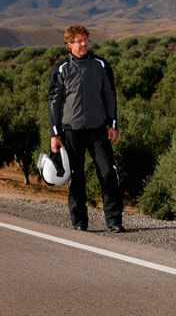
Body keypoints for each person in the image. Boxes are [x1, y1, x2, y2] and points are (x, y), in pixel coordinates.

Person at [48, 25, 125, 233]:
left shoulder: (100, 64)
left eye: (85, 40)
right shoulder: (61, 69)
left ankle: (114, 221)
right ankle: (80, 222)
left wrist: (113, 124)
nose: (83, 44)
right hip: (71, 131)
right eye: (78, 41)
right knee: (76, 176)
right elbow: (54, 102)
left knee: (109, 173)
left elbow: (110, 95)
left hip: (98, 129)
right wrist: (54, 134)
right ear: (69, 44)